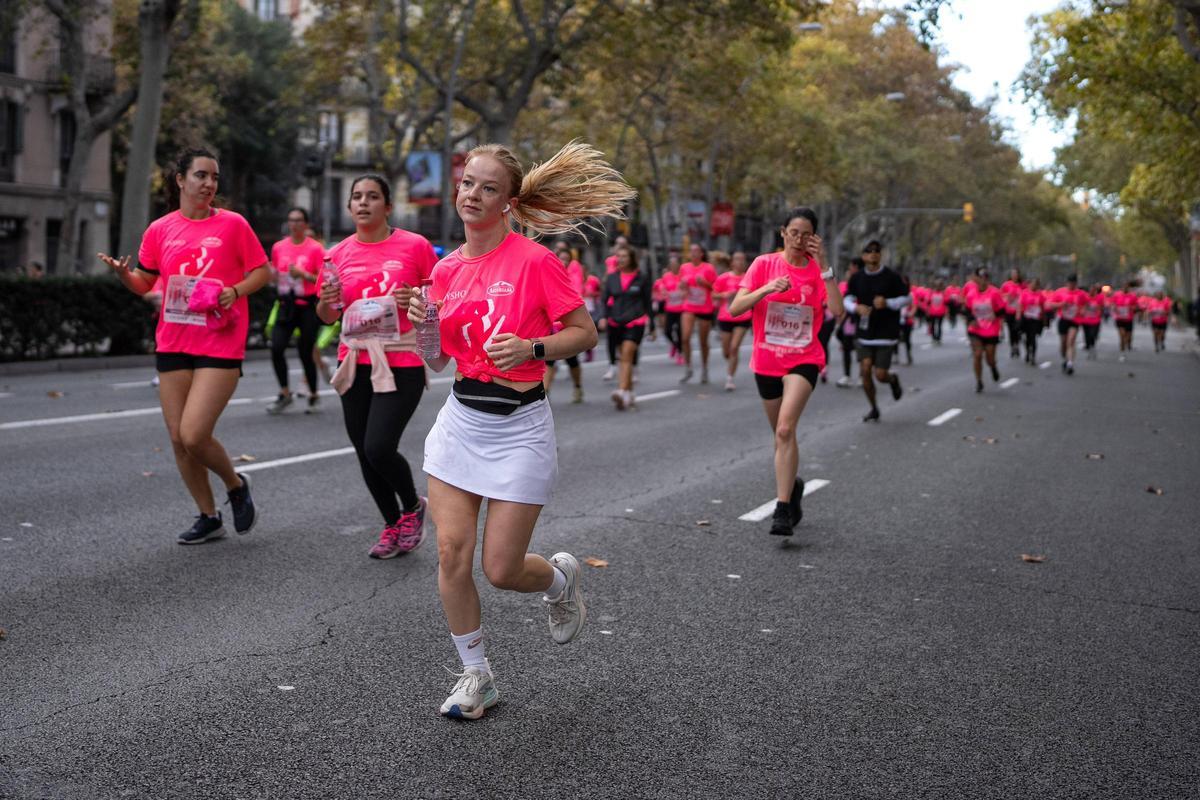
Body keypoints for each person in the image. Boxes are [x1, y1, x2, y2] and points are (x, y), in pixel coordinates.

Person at [403, 141, 632, 720]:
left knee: (501, 569)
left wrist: (532, 347)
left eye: (487, 188)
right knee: (453, 552)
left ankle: (558, 580)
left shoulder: (533, 261)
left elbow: (584, 333)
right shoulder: (445, 269)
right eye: (466, 184)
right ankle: (476, 675)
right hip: (461, 422)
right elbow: (435, 359)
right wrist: (420, 322)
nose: (472, 195)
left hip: (520, 427)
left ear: (508, 202)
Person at [98, 148, 269, 544]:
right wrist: (125, 276)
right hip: (174, 338)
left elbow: (263, 271)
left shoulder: (233, 225)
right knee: (177, 439)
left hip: (221, 340)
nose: (209, 184)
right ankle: (208, 516)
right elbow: (146, 282)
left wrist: (234, 290)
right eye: (200, 176)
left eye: (214, 177)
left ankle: (235, 484)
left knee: (194, 434)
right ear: (180, 180)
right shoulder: (160, 229)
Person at [317, 174, 437, 560]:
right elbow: (326, 315)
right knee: (363, 451)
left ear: (388, 206)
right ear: (350, 207)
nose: (363, 202)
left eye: (372, 197)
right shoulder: (335, 255)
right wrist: (326, 300)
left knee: (379, 445)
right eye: (357, 197)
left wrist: (416, 297)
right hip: (355, 360)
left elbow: (439, 299)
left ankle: (413, 507)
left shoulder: (415, 246)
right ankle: (391, 524)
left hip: (401, 358)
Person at [728, 207, 843, 537]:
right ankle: (793, 486)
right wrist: (766, 290)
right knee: (782, 436)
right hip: (767, 360)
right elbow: (735, 308)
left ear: (815, 238)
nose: (799, 239)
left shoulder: (818, 273)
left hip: (804, 358)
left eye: (806, 234)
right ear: (783, 232)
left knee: (784, 430)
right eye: (794, 232)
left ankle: (781, 508)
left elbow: (837, 311)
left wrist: (825, 268)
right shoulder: (764, 264)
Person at [267, 207, 325, 414]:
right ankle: (284, 393)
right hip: (285, 304)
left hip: (307, 305)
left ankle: (314, 393)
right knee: (276, 347)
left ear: (306, 224)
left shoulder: (316, 249)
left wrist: (304, 274)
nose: (294, 224)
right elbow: (273, 273)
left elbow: (324, 279)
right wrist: (269, 275)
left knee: (305, 351)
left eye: (299, 220)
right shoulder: (279, 247)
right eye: (291, 220)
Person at [844, 240, 909, 422]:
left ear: (880, 255)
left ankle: (892, 380)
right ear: (863, 256)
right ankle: (874, 407)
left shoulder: (892, 277)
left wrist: (888, 303)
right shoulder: (857, 278)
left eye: (877, 251)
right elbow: (847, 299)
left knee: (880, 375)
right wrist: (855, 308)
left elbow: (907, 298)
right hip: (864, 332)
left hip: (885, 333)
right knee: (865, 370)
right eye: (869, 251)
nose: (873, 254)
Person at [602, 243, 652, 409]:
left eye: (624, 256)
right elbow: (604, 299)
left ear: (632, 259)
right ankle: (629, 392)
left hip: (635, 321)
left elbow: (648, 302)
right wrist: (603, 317)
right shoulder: (612, 278)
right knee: (624, 358)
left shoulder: (642, 278)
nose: (620, 259)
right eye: (619, 256)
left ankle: (621, 390)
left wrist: (652, 325)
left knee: (627, 354)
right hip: (615, 321)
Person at [546, 242, 585, 403]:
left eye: (567, 259)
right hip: (551, 323)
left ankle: (577, 386)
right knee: (548, 358)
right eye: (561, 258)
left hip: (568, 325)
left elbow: (575, 298)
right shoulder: (548, 274)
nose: (564, 262)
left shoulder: (573, 276)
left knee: (572, 360)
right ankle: (545, 391)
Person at [712, 250, 752, 391]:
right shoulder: (723, 278)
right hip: (725, 317)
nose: (740, 262)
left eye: (742, 259)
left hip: (743, 317)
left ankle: (730, 378)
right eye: (737, 259)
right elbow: (713, 294)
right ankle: (731, 361)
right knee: (726, 352)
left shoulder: (750, 277)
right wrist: (725, 295)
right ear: (732, 262)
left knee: (734, 348)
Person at [678, 242, 716, 383]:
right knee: (685, 338)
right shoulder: (684, 267)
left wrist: (705, 283)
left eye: (696, 251)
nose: (693, 253)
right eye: (692, 251)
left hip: (705, 308)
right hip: (689, 306)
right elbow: (680, 287)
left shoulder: (708, 268)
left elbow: (715, 287)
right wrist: (682, 286)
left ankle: (705, 369)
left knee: (703, 341)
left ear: (701, 253)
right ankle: (688, 368)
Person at [964, 268, 1005, 392]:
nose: (982, 280)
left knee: (990, 357)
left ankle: (993, 367)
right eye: (980, 277)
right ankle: (979, 381)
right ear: (975, 279)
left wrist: (996, 316)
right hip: (976, 329)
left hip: (991, 329)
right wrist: (971, 320)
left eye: (985, 278)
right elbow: (967, 311)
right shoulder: (971, 294)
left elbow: (1002, 310)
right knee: (977, 355)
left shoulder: (995, 293)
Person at [1050, 274, 1087, 375]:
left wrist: (1083, 310)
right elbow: (1050, 304)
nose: (1071, 285)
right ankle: (1065, 359)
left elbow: (1085, 304)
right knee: (1063, 343)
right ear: (1067, 283)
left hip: (1075, 320)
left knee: (1071, 341)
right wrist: (1061, 304)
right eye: (1070, 283)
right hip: (1063, 319)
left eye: (1073, 283)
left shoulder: (1081, 294)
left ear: (1076, 283)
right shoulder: (1060, 292)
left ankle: (1070, 364)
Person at [834, 258, 862, 387]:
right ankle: (847, 375)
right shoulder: (849, 283)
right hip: (849, 321)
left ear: (856, 267)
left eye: (851, 267)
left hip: (861, 321)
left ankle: (862, 376)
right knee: (846, 348)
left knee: (860, 348)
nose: (850, 269)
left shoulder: (864, 281)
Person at [656, 251, 686, 364]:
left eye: (675, 264)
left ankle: (680, 352)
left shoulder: (683, 276)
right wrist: (664, 291)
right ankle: (674, 345)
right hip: (670, 308)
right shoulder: (666, 276)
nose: (673, 266)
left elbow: (688, 288)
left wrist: (683, 291)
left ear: (679, 265)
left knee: (679, 331)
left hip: (682, 308)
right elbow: (662, 288)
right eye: (671, 264)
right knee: (667, 331)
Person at [1018, 277, 1045, 364]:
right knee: (1026, 338)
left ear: (1038, 285)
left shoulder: (1040, 295)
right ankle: (1027, 352)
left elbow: (1042, 307)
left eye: (1036, 284)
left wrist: (1043, 319)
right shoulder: (1024, 293)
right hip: (1026, 318)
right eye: (1032, 284)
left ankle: (1033, 355)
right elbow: (1020, 305)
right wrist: (1018, 316)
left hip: (1035, 319)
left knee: (1033, 338)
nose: (1034, 286)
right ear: (1029, 284)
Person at [1000, 269, 1024, 359]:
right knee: (1011, 330)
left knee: (1017, 329)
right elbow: (1000, 296)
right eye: (1013, 274)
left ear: (1018, 275)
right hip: (1009, 311)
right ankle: (1013, 347)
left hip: (1019, 311)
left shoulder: (1022, 285)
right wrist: (1007, 297)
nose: (1014, 275)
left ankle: (1017, 344)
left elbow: (1025, 296)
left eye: (1016, 273)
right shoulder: (1006, 285)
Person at [1111, 281, 1138, 358]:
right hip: (1119, 318)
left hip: (1129, 319)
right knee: (1122, 336)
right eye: (1124, 286)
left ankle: (1126, 345)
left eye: (1127, 286)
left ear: (1129, 288)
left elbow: (1136, 307)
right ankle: (1122, 352)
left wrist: (1132, 308)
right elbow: (1113, 304)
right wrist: (1114, 308)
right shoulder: (1117, 295)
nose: (1125, 288)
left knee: (1128, 337)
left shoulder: (1133, 296)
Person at [1078, 284, 1104, 360]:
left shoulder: (1099, 297)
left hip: (1095, 320)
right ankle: (1090, 349)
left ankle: (1092, 347)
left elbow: (1101, 308)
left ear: (1096, 291)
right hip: (1085, 320)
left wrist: (1099, 311)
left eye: (1093, 290)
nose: (1092, 292)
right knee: (1087, 337)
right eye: (1091, 290)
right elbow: (1080, 306)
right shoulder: (1085, 297)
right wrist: (1083, 309)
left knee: (1092, 335)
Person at [925, 277, 948, 345]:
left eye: (939, 285)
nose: (938, 287)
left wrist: (947, 312)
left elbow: (946, 302)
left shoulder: (943, 293)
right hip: (932, 312)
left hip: (941, 312)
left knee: (939, 326)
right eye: (937, 285)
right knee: (933, 325)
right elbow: (928, 302)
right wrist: (927, 311)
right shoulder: (931, 292)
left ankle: (938, 338)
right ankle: (934, 338)